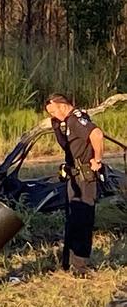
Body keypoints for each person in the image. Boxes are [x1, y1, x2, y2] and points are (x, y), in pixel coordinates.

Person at [45, 93, 104, 276]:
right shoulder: (65, 122)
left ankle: (80, 266)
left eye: (54, 111)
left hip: (85, 176)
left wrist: (98, 159)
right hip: (73, 175)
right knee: (72, 218)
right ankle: (68, 262)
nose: (54, 116)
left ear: (62, 105)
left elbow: (97, 134)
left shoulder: (76, 119)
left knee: (83, 219)